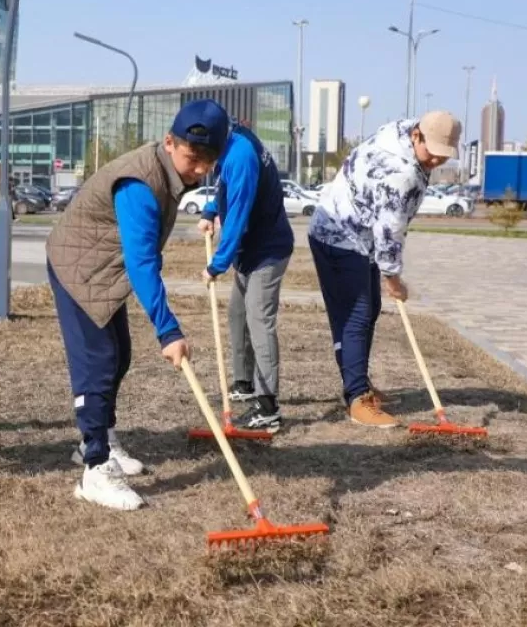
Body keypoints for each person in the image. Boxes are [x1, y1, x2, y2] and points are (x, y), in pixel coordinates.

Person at [45, 99, 227, 511]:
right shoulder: (140, 184)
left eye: (208, 162)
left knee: (119, 355)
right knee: (99, 362)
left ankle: (103, 438)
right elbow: (142, 263)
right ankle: (94, 468)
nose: (199, 170)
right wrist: (169, 330)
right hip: (79, 267)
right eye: (192, 158)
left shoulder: (169, 171)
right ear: (169, 142)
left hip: (104, 267)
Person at [307, 111, 458, 428]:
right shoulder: (400, 173)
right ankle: (358, 399)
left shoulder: (401, 131)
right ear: (417, 135)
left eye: (443, 156)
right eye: (432, 152)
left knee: (367, 310)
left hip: (353, 234)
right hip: (340, 236)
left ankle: (356, 381)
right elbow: (389, 231)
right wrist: (394, 279)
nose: (435, 161)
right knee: (357, 314)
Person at [197, 122, 294, 433]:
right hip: (249, 251)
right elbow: (227, 190)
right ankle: (244, 383)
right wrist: (210, 210)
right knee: (237, 313)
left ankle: (268, 406)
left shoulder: (241, 155)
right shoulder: (233, 142)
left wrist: (216, 265)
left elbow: (237, 217)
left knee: (258, 319)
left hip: (267, 251)